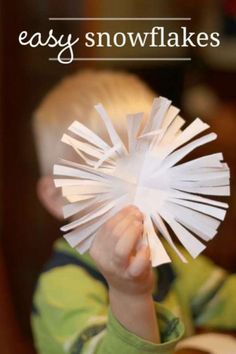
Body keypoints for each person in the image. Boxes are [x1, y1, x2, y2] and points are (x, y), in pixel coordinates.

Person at [31, 69, 236, 354]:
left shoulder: (170, 261)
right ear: (60, 197)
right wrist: (129, 294)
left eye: (155, 165)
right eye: (117, 173)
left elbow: (226, 297)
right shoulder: (62, 287)